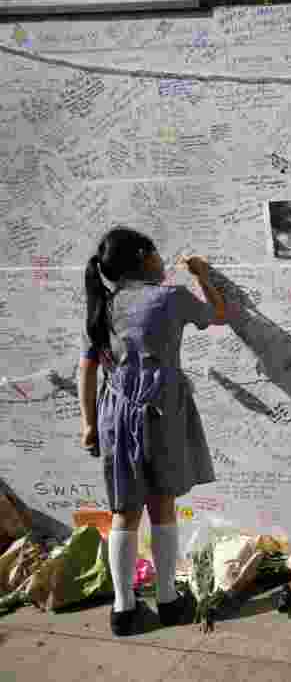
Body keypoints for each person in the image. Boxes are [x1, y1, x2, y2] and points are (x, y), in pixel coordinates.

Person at [77, 228, 226, 636]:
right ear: (144, 256)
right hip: (162, 415)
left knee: (123, 513)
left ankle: (123, 610)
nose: (162, 260)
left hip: (115, 416)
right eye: (157, 252)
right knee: (162, 507)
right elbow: (218, 314)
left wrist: (88, 423)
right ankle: (167, 601)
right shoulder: (170, 298)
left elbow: (87, 368)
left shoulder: (102, 307)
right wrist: (202, 275)